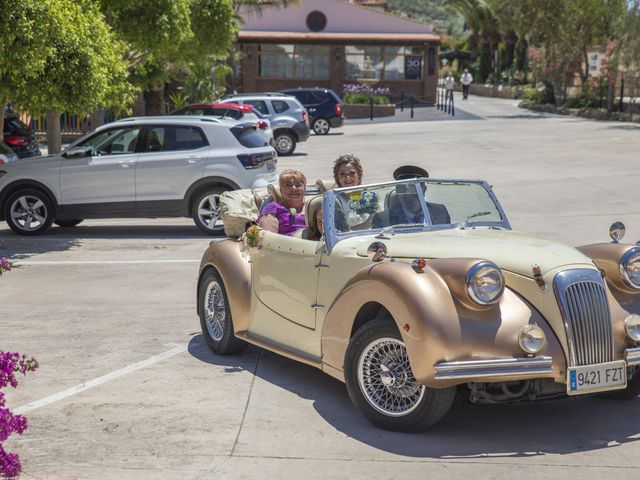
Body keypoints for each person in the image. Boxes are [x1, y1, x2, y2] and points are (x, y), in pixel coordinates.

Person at [372, 165, 450, 228]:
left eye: (413, 188)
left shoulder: (440, 211)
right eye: (401, 188)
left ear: (424, 190)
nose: (408, 194)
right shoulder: (383, 219)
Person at [257, 169, 306, 236]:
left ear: (304, 189)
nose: (294, 188)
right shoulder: (273, 209)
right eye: (288, 185)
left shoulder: (313, 207)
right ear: (281, 190)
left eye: (298, 185)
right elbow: (269, 239)